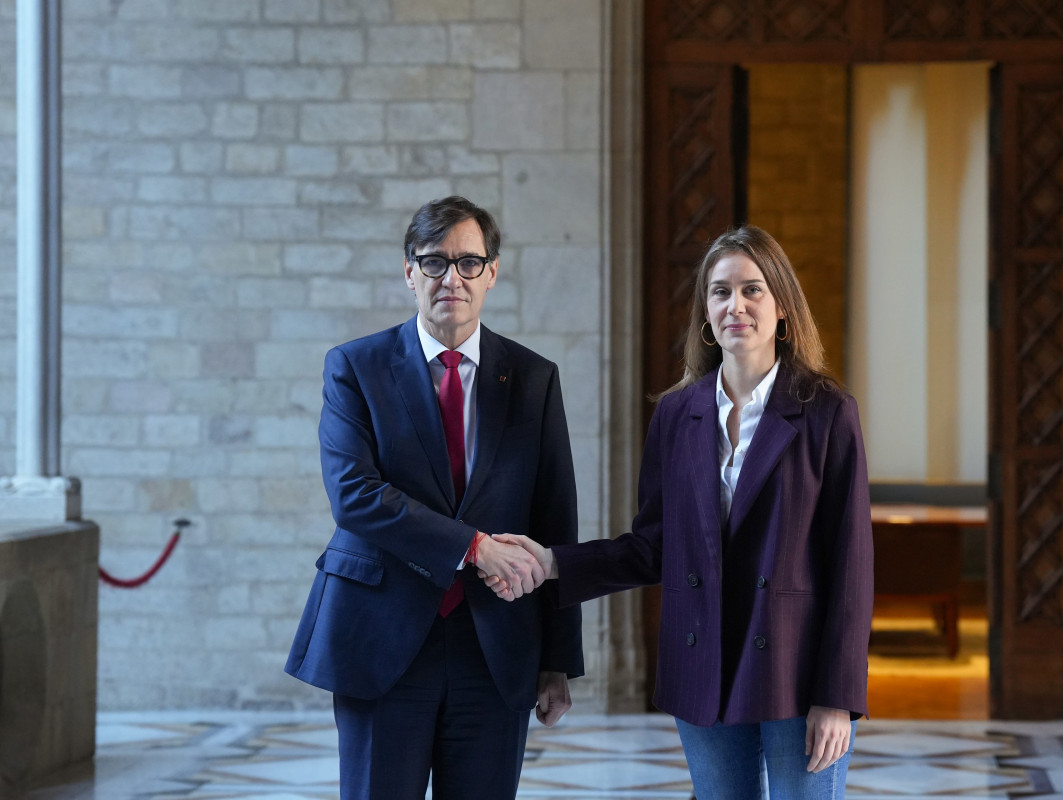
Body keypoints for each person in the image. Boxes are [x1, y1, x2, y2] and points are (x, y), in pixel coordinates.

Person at [489, 225, 873, 800]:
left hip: (798, 668)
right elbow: (652, 547)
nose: (734, 306)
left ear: (784, 308)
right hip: (704, 663)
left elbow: (851, 566)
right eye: (719, 292)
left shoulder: (826, 411)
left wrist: (837, 696)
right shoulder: (676, 414)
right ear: (704, 314)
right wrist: (552, 563)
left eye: (752, 290)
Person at [285, 196, 584, 800]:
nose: (452, 278)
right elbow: (355, 496)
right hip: (382, 639)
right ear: (409, 272)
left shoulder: (532, 378)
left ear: (492, 273)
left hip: (495, 645)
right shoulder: (355, 367)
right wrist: (472, 546)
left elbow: (556, 518)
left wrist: (557, 658)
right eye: (434, 262)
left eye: (469, 262)